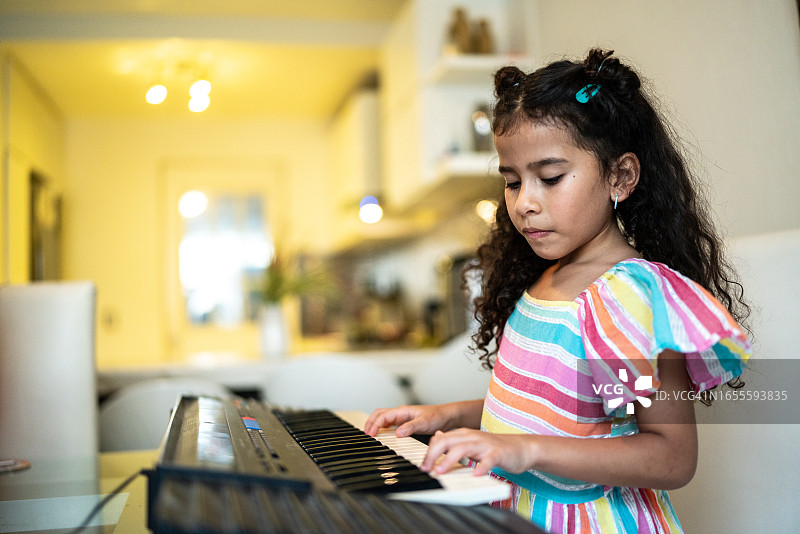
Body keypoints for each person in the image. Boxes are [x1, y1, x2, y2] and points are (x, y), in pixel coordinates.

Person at [365, 49, 752, 533]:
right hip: (519, 510)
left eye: (550, 178)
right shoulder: (545, 278)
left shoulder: (625, 298)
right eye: (511, 182)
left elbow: (669, 455)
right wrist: (447, 416)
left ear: (620, 176)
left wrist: (520, 450)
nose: (525, 202)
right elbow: (555, 412)